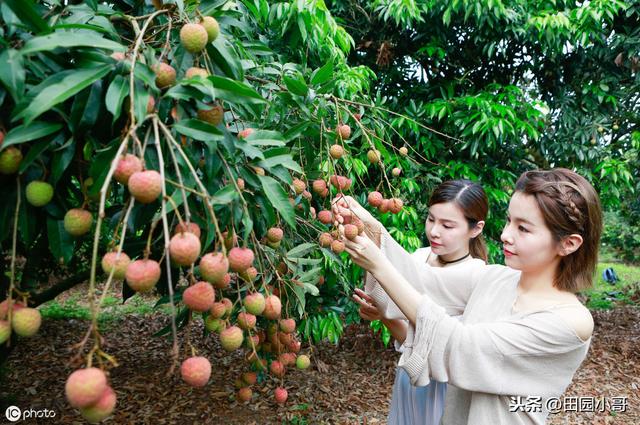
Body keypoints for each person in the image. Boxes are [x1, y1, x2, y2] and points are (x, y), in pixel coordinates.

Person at [334, 168, 600, 425]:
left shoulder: (570, 321)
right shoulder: (494, 278)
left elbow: (463, 347)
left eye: (524, 229)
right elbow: (419, 279)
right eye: (509, 221)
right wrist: (369, 226)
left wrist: (377, 262)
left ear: (569, 243)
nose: (505, 235)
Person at [351, 179, 488, 425]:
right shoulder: (419, 257)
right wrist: (382, 314)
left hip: (445, 388)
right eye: (431, 219)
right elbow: (410, 339)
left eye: (447, 225)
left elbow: (440, 347)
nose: (434, 231)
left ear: (476, 229)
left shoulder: (476, 277)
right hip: (410, 377)